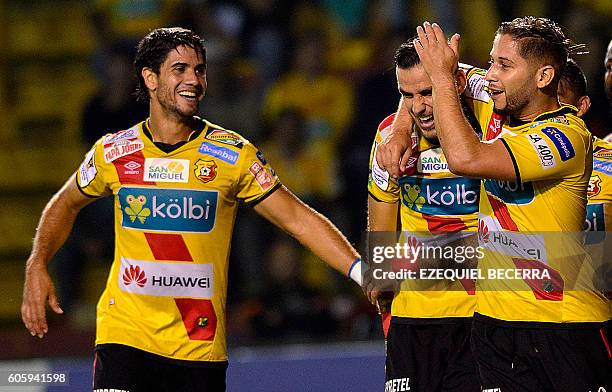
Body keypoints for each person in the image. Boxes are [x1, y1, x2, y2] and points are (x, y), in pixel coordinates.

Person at [21, 27, 363, 392]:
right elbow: (66, 201)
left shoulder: (232, 155)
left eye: (199, 70)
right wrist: (37, 262)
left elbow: (297, 217)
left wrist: (361, 272)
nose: (194, 80)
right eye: (180, 70)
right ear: (150, 78)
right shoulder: (114, 152)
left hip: (198, 347)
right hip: (125, 338)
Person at [377, 18, 610, 391]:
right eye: (490, 62)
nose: (490, 75)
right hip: (494, 327)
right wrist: (401, 128)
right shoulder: (495, 104)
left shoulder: (566, 137)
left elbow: (467, 159)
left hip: (563, 322)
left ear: (543, 76)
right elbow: (424, 78)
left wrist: (441, 79)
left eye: (504, 65)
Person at [367, 39, 481, 391]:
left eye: (428, 92)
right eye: (408, 95)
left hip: (481, 313)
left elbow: (488, 79)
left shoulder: (489, 123)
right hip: (413, 317)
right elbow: (381, 219)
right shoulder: (389, 138)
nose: (420, 107)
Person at [557, 59, 612, 234]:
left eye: (553, 100)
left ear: (581, 106)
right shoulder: (500, 166)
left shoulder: (608, 164)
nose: (540, 112)